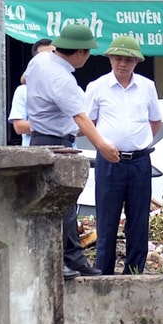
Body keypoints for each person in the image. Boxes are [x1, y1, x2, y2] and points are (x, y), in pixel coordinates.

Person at [23, 23, 115, 279]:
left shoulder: (40, 60)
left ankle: (73, 258)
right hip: (56, 143)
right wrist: (103, 146)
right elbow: (82, 119)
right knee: (59, 205)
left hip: (41, 139)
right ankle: (57, 260)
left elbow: (24, 79)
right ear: (81, 53)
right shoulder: (62, 78)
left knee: (66, 205)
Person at [86, 35, 163, 275]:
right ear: (110, 59)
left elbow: (156, 121)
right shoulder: (97, 86)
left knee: (139, 220)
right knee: (107, 220)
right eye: (118, 58)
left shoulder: (147, 86)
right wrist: (105, 144)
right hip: (110, 161)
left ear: (136, 62)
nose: (122, 64)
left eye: (128, 60)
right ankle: (104, 272)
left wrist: (138, 142)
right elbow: (88, 123)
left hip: (139, 160)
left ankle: (134, 272)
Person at [9, 38, 54, 143]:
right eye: (43, 56)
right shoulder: (23, 91)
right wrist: (60, 126)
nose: (49, 59)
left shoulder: (74, 88)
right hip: (35, 153)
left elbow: (83, 126)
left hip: (68, 151)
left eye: (53, 54)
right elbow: (19, 127)